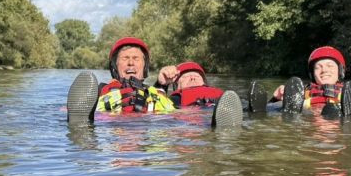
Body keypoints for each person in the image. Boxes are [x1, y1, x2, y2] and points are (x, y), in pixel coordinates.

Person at [66, 37, 242, 127]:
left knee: (182, 126)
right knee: (85, 116)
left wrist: (161, 85)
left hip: (150, 127)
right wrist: (69, 111)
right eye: (125, 58)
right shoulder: (101, 89)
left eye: (136, 59)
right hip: (110, 124)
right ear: (114, 66)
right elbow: (73, 107)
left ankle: (218, 127)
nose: (131, 63)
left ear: (144, 66)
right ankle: (82, 124)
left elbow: (176, 112)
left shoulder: (156, 93)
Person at [266, 46, 351, 118]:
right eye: (318, 67)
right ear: (312, 74)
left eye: (330, 66)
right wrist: (275, 99)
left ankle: (339, 116)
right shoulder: (299, 93)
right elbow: (271, 109)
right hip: (309, 118)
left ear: (340, 71)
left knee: (332, 111)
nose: (324, 70)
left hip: (339, 118)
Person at [156, 61, 225, 107]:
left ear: (204, 82)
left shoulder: (221, 94)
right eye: (186, 77)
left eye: (197, 76)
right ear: (177, 86)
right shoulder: (176, 98)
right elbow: (155, 107)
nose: (192, 77)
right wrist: (161, 85)